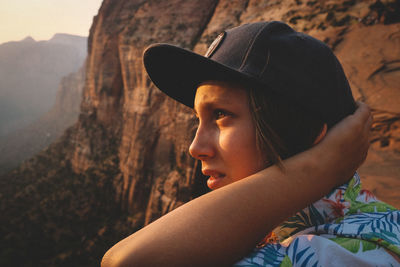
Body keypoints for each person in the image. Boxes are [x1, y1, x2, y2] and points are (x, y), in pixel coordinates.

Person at [101, 21, 400, 266]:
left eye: (221, 115)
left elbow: (127, 262)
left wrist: (318, 166)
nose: (195, 147)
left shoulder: (346, 256)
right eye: (197, 120)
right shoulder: (297, 230)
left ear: (306, 133)